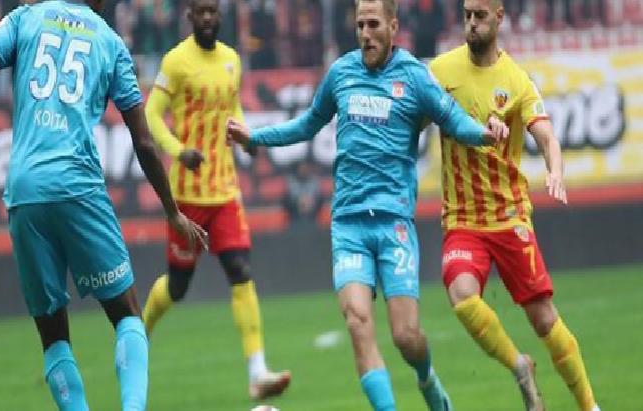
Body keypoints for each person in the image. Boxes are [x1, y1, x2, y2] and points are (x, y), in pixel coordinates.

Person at [228, 1, 509, 409]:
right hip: (348, 225)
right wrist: (255, 137)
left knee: (406, 337)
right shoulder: (341, 73)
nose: (364, 33)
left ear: (393, 27)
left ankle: (427, 379)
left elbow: (452, 118)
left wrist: (484, 134)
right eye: (359, 25)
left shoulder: (414, 76)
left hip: (394, 223)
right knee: (358, 322)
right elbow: (307, 124)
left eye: (373, 24)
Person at [0, 0, 206, 409]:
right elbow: (144, 141)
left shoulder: (25, 17)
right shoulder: (110, 42)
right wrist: (172, 211)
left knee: (53, 334)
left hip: (25, 190)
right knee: (127, 314)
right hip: (78, 185)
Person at [428, 1, 600, 410]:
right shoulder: (439, 72)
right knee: (462, 295)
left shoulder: (517, 81)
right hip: (463, 220)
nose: (471, 23)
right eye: (467, 15)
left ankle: (589, 406)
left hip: (509, 217)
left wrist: (555, 170)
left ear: (499, 17)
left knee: (543, 318)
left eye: (480, 15)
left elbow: (547, 137)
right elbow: (413, 121)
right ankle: (519, 366)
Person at [142, 0, 290, 402]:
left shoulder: (231, 60)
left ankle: (257, 371)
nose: (208, 18)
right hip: (187, 196)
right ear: (190, 16)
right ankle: (139, 332)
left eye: (213, 11)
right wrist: (179, 151)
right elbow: (152, 115)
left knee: (240, 271)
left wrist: (246, 137)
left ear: (220, 16)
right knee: (177, 286)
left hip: (224, 190)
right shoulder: (176, 62)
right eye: (201, 12)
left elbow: (232, 106)